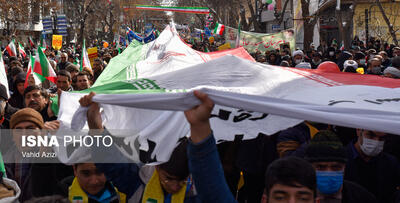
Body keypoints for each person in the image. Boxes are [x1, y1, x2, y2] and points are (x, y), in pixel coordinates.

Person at [183, 90, 318, 203]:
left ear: (316, 200)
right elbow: (211, 191)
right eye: (280, 197)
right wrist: (199, 126)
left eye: (302, 198)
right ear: (265, 199)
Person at [79, 92, 198, 203]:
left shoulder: (200, 187)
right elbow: (107, 158)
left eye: (182, 181)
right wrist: (93, 122)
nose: (174, 187)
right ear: (157, 166)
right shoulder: (138, 180)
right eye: (169, 178)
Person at [4, 108, 72, 201]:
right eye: (18, 129)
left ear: (41, 132)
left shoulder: (59, 158)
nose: (24, 134)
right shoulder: (4, 161)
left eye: (30, 128)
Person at [304, 130, 377, 203]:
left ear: (344, 167)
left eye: (335, 167)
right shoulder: (298, 196)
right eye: (321, 167)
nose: (329, 172)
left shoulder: (361, 197)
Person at [345, 129, 400, 203]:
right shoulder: (340, 160)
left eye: (381, 138)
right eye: (371, 135)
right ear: (358, 131)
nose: (376, 142)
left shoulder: (391, 163)